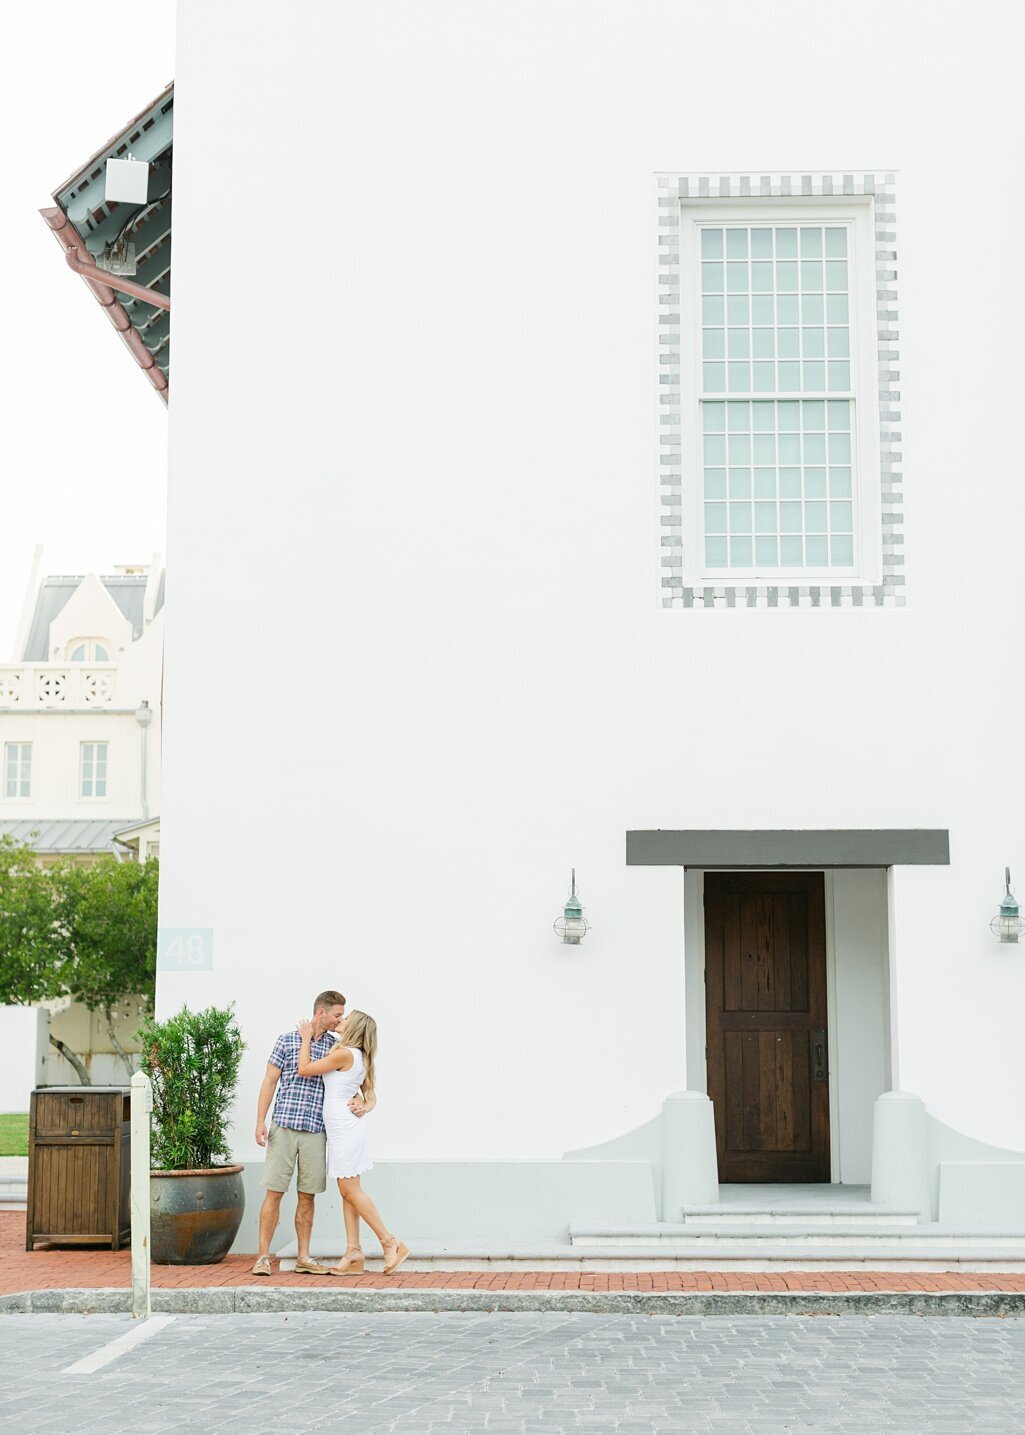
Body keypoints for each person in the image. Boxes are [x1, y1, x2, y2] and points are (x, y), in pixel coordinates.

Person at [251, 989, 373, 1276]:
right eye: (337, 1015)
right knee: (274, 1193)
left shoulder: (335, 1048)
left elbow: (360, 1085)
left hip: (317, 1131)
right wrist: (260, 1121)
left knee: (308, 1196)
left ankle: (304, 1257)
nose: (340, 1020)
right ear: (321, 1013)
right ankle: (263, 1257)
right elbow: (269, 1081)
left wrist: (365, 1102)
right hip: (283, 1125)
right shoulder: (287, 1040)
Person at [298, 1009, 408, 1276]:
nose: (341, 1020)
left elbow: (304, 1069)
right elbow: (368, 1094)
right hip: (342, 1129)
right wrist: (366, 1104)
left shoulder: (345, 1054)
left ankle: (391, 1243)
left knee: (351, 1191)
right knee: (347, 1192)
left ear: (354, 1027)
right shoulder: (353, 1055)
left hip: (345, 1130)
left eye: (345, 1019)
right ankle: (354, 1253)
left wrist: (305, 1038)